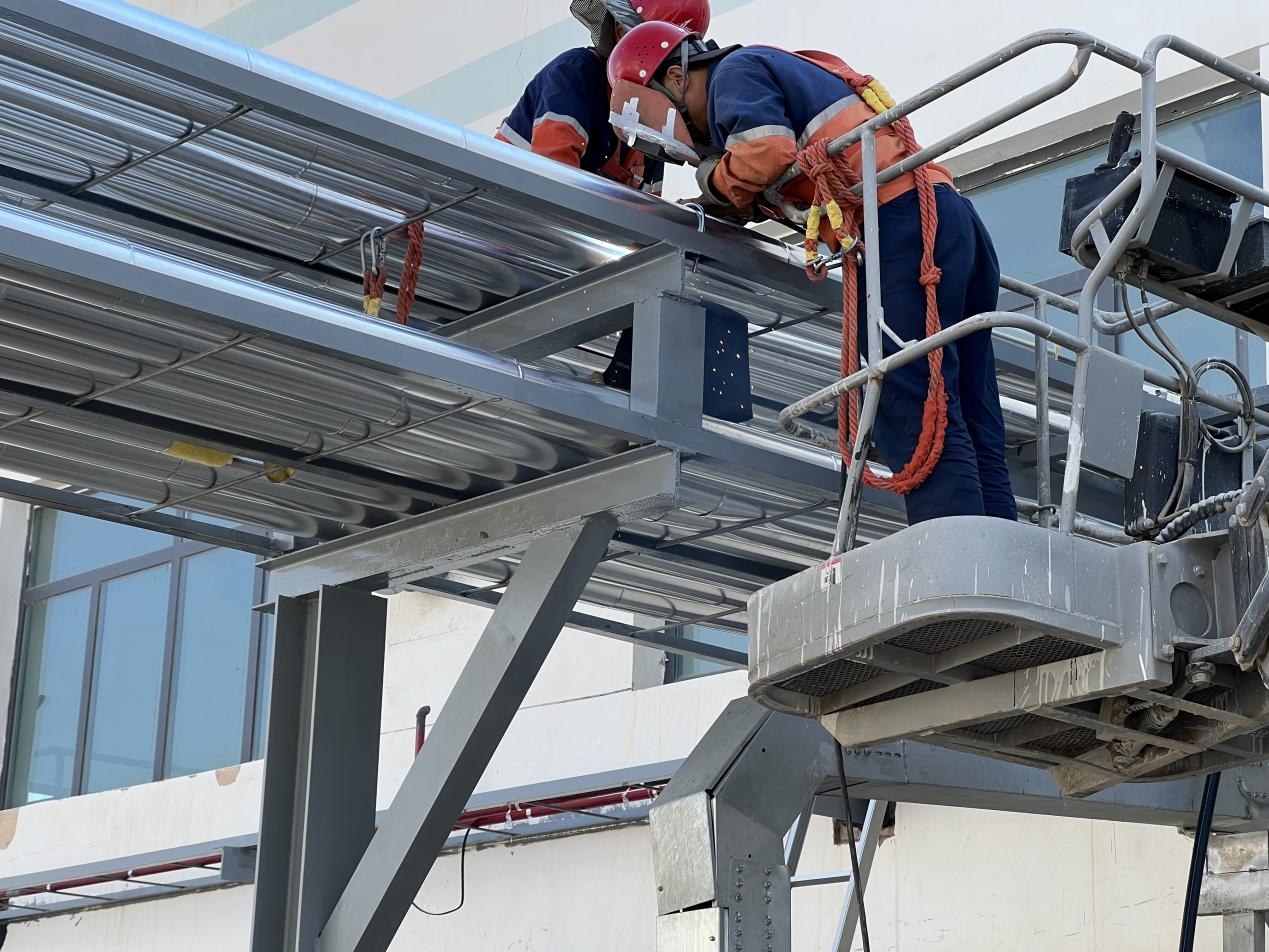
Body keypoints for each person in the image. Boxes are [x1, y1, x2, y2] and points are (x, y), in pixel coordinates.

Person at [606, 22, 1016, 524]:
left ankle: (954, 556)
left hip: (902, 224)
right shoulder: (774, 75)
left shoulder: (734, 73)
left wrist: (711, 180)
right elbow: (780, 171)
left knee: (918, 405)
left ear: (675, 77)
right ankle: (999, 548)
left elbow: (764, 155)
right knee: (970, 408)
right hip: (948, 220)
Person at [494, 1, 751, 423]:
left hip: (570, 252)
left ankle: (637, 392)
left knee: (685, 265)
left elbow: (644, 232)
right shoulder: (576, 75)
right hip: (511, 236)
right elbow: (551, 188)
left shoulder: (647, 123)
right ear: (620, 32)